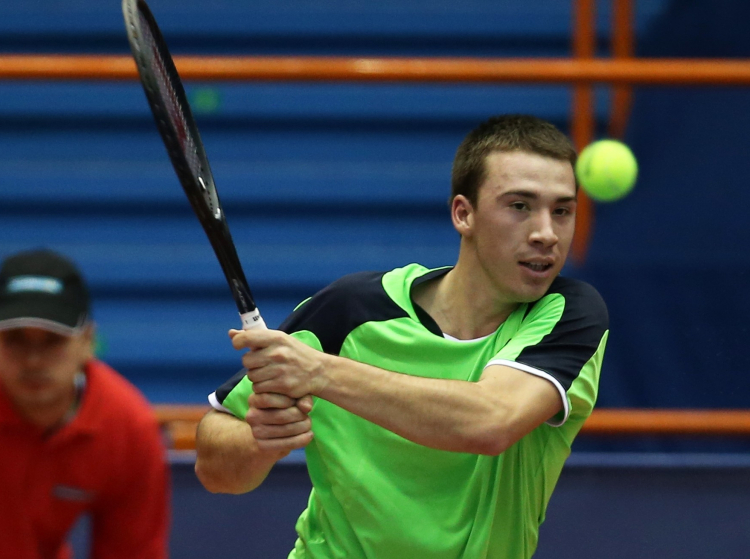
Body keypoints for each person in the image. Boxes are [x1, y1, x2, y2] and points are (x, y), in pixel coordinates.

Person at [195, 114, 610, 559]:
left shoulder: (570, 316)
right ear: (463, 214)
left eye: (561, 211)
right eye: (520, 206)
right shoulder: (350, 312)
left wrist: (321, 373)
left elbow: (492, 421)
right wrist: (260, 441)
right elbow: (215, 469)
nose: (546, 233)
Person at [0, 248, 170, 559]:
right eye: (15, 339)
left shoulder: (128, 427)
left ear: (87, 342)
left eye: (53, 340)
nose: (33, 360)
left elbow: (134, 551)